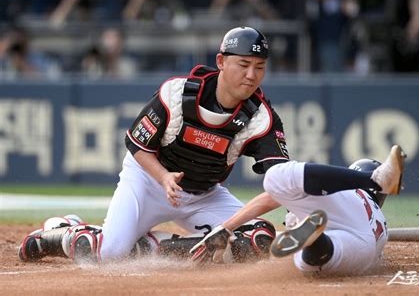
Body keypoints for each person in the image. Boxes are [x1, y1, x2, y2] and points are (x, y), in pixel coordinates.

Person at [18, 26, 287, 264]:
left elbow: (282, 181)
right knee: (108, 254)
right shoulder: (178, 93)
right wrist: (163, 177)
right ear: (221, 62)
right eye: (243, 64)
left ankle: (151, 245)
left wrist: (235, 224)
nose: (251, 75)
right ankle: (62, 231)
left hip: (205, 194)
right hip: (148, 181)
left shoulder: (261, 118)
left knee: (256, 240)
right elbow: (136, 143)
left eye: (260, 67)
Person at [190, 145, 405, 275]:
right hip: (367, 249)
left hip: (347, 209)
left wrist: (227, 227)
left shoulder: (351, 193)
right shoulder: (380, 219)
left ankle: (375, 179)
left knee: (276, 178)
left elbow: (270, 198)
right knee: (314, 261)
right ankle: (315, 241)